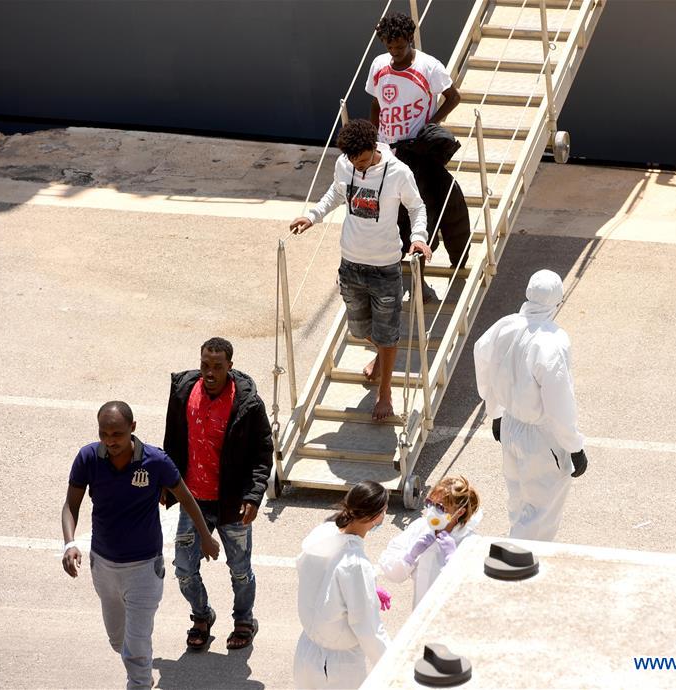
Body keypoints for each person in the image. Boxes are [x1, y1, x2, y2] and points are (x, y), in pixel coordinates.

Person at [61, 401, 220, 690]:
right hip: (104, 567)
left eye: (117, 434)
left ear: (132, 429)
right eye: (104, 434)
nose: (110, 441)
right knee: (118, 641)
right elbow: (71, 505)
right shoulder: (88, 458)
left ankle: (140, 682)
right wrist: (69, 543)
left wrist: (205, 538)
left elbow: (185, 496)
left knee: (136, 647)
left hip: (145, 569)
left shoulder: (155, 461)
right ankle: (138, 668)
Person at [289, 119, 432, 421]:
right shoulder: (345, 164)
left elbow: (417, 208)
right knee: (360, 330)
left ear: (374, 148)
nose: (361, 168)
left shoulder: (398, 173)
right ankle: (381, 356)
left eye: (365, 161)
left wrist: (418, 238)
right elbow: (336, 193)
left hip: (385, 267)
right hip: (351, 264)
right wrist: (313, 216)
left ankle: (385, 393)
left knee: (388, 332)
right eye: (356, 163)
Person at [162, 337, 273, 651]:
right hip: (192, 500)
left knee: (240, 570)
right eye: (205, 366)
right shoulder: (183, 391)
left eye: (217, 367)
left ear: (230, 367)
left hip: (232, 504)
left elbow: (263, 452)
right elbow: (173, 440)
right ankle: (201, 616)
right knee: (184, 569)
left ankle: (243, 621)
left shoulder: (248, 405)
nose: (209, 373)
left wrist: (253, 496)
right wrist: (165, 483)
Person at [472, 269, 588, 541]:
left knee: (518, 501)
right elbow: (559, 402)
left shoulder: (505, 326)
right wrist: (574, 445)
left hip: (511, 425)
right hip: (541, 437)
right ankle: (521, 569)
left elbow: (484, 361)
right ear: (557, 301)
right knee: (541, 514)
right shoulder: (553, 340)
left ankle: (514, 554)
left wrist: (496, 411)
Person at [366, 12, 471, 280]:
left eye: (400, 47)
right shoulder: (379, 65)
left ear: (410, 39)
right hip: (390, 153)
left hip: (418, 152)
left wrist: (430, 125)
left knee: (426, 210)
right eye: (390, 47)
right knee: (389, 212)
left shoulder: (428, 66)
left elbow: (453, 96)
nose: (395, 52)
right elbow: (377, 103)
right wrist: (374, 138)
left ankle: (422, 276)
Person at [293, 481, 391, 689]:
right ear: (376, 518)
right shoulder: (356, 564)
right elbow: (368, 629)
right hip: (338, 668)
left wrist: (367, 591)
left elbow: (323, 584)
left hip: (307, 652)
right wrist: (394, 666)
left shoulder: (322, 535)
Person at [378, 475, 481, 608]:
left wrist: (453, 561)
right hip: (420, 613)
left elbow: (473, 592)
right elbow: (393, 574)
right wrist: (409, 557)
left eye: (441, 507)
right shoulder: (420, 527)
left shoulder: (471, 543)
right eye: (430, 503)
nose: (432, 510)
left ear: (460, 512)